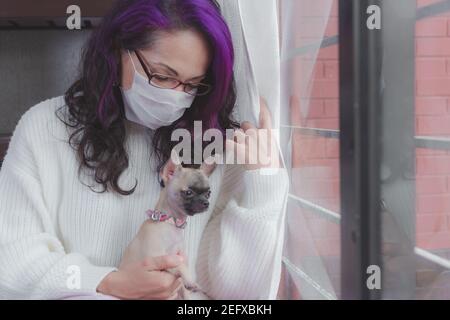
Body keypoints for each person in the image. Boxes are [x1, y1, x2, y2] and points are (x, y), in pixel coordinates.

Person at [0, 0, 288, 299]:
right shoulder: (44, 128)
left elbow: (240, 296)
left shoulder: (215, 145)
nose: (176, 97)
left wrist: (263, 183)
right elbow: (11, 263)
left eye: (192, 84)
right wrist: (108, 282)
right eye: (162, 76)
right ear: (117, 51)